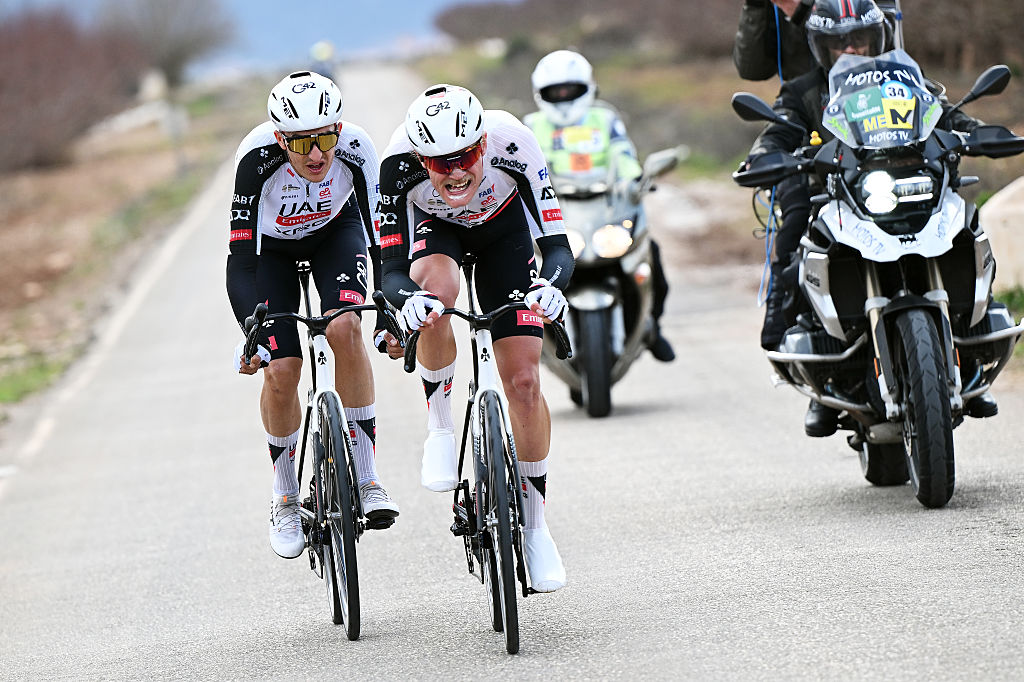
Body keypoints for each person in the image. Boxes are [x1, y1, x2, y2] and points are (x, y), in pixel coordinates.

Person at [743, 0, 993, 436]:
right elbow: (778, 128)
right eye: (839, 43)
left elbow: (944, 113)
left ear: (879, 38)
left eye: (859, 39)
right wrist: (767, 154)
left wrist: (976, 131)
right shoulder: (804, 91)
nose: (852, 49)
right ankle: (807, 357)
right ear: (820, 46)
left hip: (908, 184)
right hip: (836, 191)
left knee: (967, 223)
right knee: (796, 227)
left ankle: (973, 348)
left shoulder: (908, 81)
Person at [378, 84, 574, 592]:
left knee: (526, 382)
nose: (456, 171)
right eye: (440, 164)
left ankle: (535, 527)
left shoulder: (515, 142)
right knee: (437, 293)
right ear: (421, 158)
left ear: (484, 143)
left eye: (465, 155)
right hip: (436, 235)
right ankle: (440, 428)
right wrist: (409, 301)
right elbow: (391, 269)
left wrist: (551, 288)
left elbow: (556, 246)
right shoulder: (396, 165)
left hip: (503, 235)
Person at [227, 71, 399, 560]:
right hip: (270, 254)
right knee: (282, 368)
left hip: (335, 233)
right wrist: (251, 327)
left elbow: (379, 238)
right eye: (302, 144)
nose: (318, 154)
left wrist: (387, 309)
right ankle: (285, 498)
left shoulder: (357, 149)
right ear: (280, 139)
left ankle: (366, 477)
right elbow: (239, 262)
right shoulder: (255, 160)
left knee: (346, 327)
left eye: (326, 137)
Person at [524, 49, 675, 362]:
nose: (564, 97)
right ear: (541, 94)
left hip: (606, 209)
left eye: (571, 89)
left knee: (652, 257)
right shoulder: (530, 126)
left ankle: (653, 326)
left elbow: (623, 155)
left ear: (589, 88)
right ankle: (523, 335)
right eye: (556, 92)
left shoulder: (605, 118)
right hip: (556, 214)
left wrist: (635, 179)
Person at [733, 0, 816, 82]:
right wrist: (756, 5)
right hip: (798, 91)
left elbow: (826, 58)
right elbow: (752, 70)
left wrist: (802, 13)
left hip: (823, 90)